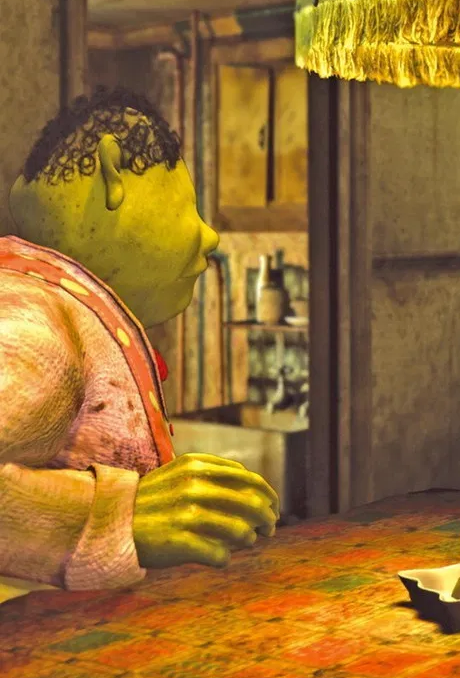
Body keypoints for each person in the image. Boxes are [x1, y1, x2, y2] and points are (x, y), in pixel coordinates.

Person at [0, 88, 279, 603]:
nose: (210, 236)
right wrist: (118, 515)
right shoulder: (40, 328)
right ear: (113, 177)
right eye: (186, 206)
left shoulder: (57, 307)